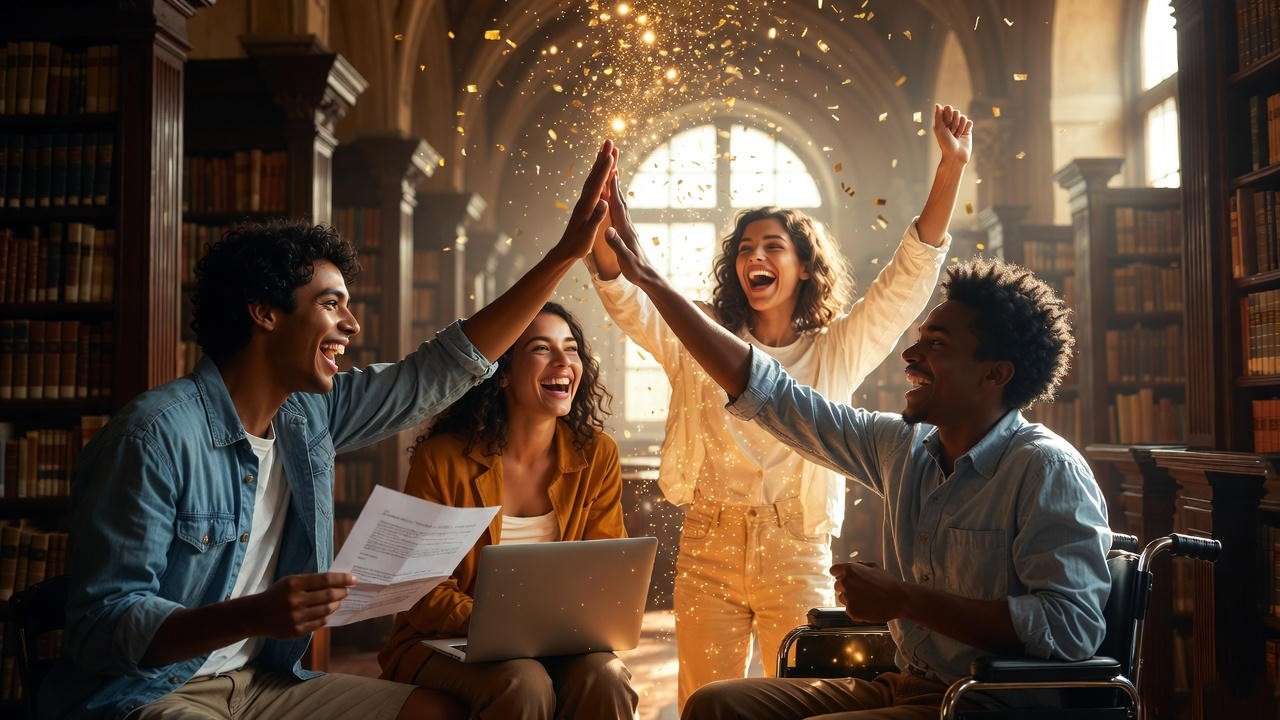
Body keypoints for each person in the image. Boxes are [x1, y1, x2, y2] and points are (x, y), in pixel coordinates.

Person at [39, 143, 618, 720]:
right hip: (154, 692)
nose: (351, 324)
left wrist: (565, 254)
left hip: (268, 682)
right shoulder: (153, 437)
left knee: (440, 713)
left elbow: (439, 371)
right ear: (265, 313)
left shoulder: (309, 416)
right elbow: (100, 624)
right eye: (331, 305)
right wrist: (251, 616)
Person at [602, 208, 1112, 718]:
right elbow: (778, 399)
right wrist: (646, 276)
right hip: (902, 683)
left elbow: (1072, 629)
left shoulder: (1046, 469)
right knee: (714, 703)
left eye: (935, 345)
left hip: (979, 702)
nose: (909, 356)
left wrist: (907, 600)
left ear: (995, 375)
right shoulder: (903, 448)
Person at [586, 105, 971, 705]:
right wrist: (603, 225)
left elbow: (906, 283)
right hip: (708, 542)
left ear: (803, 267)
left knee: (801, 701)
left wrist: (950, 169)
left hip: (797, 546)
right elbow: (626, 299)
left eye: (773, 246)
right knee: (705, 702)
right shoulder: (699, 339)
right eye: (744, 249)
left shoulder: (835, 349)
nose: (754, 258)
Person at [379, 302, 637, 720]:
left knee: (606, 676)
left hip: (559, 640)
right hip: (440, 639)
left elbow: (606, 573)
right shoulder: (442, 459)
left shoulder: (596, 454)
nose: (563, 362)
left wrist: (545, 630)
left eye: (571, 349)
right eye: (541, 349)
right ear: (502, 373)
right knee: (523, 681)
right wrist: (505, 627)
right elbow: (419, 591)